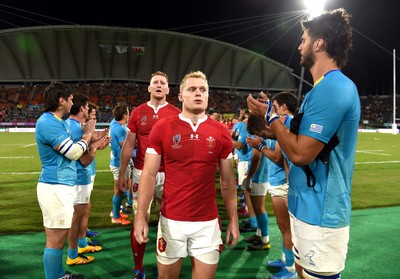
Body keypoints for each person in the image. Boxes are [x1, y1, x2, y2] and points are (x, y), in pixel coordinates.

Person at [247, 8, 360, 279]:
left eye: (303, 39)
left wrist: (271, 116)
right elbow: (295, 138)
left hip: (323, 211)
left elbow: (299, 154)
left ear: (319, 43)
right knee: (301, 272)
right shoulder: (318, 91)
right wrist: (271, 125)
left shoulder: (334, 88)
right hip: (305, 206)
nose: (300, 46)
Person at [134, 71, 239, 279]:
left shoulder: (220, 132)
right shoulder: (162, 128)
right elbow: (148, 174)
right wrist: (140, 216)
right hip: (171, 221)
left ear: (208, 96)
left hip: (207, 224)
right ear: (180, 96)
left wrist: (233, 220)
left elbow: (227, 181)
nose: (198, 93)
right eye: (192, 89)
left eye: (203, 90)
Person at [118, 71, 180, 279]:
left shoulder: (175, 113)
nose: (159, 85)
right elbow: (128, 145)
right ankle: (138, 269)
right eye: (155, 82)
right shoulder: (137, 112)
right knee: (140, 218)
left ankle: (165, 265)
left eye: (163, 82)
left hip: (169, 175)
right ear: (149, 88)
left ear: (168, 89)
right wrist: (121, 175)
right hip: (141, 173)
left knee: (170, 221)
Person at [35, 81, 95, 279]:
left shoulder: (56, 122)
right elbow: (73, 152)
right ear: (61, 101)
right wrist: (87, 136)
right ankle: (55, 277)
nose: (72, 102)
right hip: (55, 187)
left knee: (59, 236)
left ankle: (59, 274)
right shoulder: (48, 122)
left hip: (61, 186)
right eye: (70, 99)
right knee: (55, 239)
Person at [246, 91, 299, 279]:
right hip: (289, 184)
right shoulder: (285, 125)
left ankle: (291, 268)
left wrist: (261, 145)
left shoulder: (287, 124)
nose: (271, 111)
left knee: (287, 228)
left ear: (283, 107)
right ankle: (287, 261)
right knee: (285, 227)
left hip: (288, 186)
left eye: (274, 106)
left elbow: (278, 158)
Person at [65, 94, 109, 267]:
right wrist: (96, 147)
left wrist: (95, 141)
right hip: (79, 176)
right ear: (82, 108)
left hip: (73, 177)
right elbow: (84, 160)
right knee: (76, 218)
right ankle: (73, 254)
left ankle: (79, 247)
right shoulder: (77, 129)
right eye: (85, 106)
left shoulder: (71, 125)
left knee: (78, 215)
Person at [109, 103, 131, 225]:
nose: (129, 115)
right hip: (119, 163)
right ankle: (116, 216)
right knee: (121, 190)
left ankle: (115, 211)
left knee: (120, 189)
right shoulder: (120, 129)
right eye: (128, 113)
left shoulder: (114, 124)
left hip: (116, 161)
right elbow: (126, 146)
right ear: (124, 115)